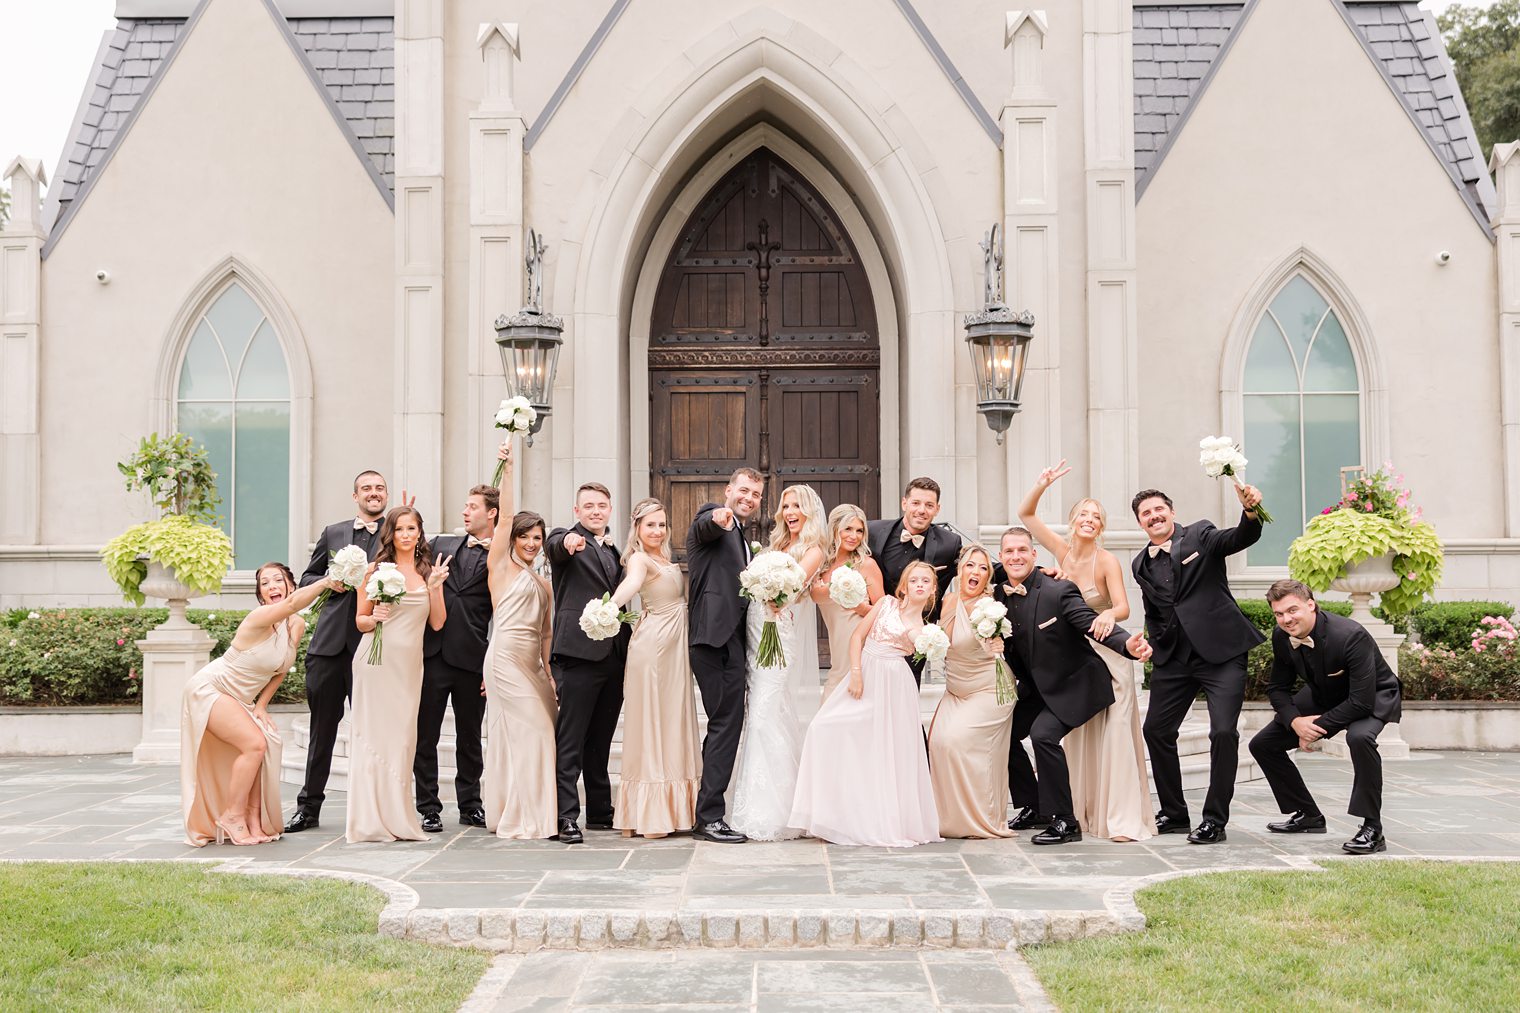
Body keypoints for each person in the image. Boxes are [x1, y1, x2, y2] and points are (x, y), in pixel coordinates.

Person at [1014, 463, 1154, 841]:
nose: (1089, 521)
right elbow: (1025, 515)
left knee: (1113, 732)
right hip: (1072, 655)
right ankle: (1080, 808)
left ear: (1101, 527)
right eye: (1083, 515)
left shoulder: (1106, 560)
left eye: (1096, 517)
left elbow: (1123, 607)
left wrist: (1107, 614)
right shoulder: (1061, 552)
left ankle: (1117, 814)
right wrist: (1041, 483)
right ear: (1073, 521)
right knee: (1077, 732)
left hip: (1108, 650)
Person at [1133, 483, 1264, 845]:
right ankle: (1174, 814)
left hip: (1222, 654)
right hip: (1174, 660)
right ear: (1141, 523)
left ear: (1172, 512)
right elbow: (1155, 611)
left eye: (1159, 509)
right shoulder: (1139, 563)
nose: (1154, 516)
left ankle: (1214, 819)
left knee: (1223, 732)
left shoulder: (1201, 535)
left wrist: (1250, 511)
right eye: (1146, 513)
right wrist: (1155, 647)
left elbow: (1240, 537)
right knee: (1156, 731)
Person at [182, 563, 340, 846]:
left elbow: (280, 669)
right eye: (265, 584)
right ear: (261, 595)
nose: (272, 587)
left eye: (278, 580)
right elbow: (293, 604)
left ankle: (254, 821)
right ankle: (231, 816)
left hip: (240, 699)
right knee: (254, 744)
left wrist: (261, 705)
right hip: (212, 688)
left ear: (290, 584)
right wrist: (326, 582)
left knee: (266, 743)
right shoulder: (260, 617)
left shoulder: (295, 624)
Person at [789, 560, 941, 847]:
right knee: (823, 728)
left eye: (925, 582)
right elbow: (858, 637)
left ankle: (878, 817)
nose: (919, 585)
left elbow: (921, 646)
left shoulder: (923, 628)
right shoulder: (884, 604)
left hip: (895, 684)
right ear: (904, 586)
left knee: (884, 749)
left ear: (932, 590)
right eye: (914, 580)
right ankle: (833, 814)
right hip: (865, 674)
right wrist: (856, 673)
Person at [1249, 580, 1403, 855]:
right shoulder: (1281, 635)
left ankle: (1373, 829)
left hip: (1371, 696)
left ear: (1311, 605)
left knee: (1360, 737)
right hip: (1323, 693)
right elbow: (1277, 688)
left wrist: (1315, 728)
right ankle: (1308, 815)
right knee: (1262, 744)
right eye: (1279, 614)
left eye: (1292, 610)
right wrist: (1296, 722)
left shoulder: (1350, 635)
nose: (1286, 619)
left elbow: (1360, 701)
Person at [285, 470, 388, 834]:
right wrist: (334, 580)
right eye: (366, 489)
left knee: (375, 732)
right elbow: (307, 579)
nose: (373, 494)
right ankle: (308, 807)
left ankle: (376, 808)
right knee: (322, 730)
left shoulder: (396, 533)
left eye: (379, 488)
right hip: (329, 647)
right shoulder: (334, 532)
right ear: (355, 495)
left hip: (375, 647)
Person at [345, 506, 452, 843]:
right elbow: (360, 621)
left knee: (403, 740)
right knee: (375, 737)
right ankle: (370, 819)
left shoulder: (426, 571)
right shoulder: (374, 570)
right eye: (401, 529)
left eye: (412, 528)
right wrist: (375, 616)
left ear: (420, 532)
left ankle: (399, 814)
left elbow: (437, 623)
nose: (407, 535)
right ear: (390, 533)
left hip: (408, 668)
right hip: (375, 662)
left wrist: (435, 587)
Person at [730, 483, 827, 842]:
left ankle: (772, 811)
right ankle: (773, 804)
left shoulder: (814, 549)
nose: (789, 512)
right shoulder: (775, 546)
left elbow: (794, 587)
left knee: (762, 715)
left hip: (779, 634)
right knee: (766, 713)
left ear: (809, 512)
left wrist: (775, 592)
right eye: (786, 505)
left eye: (796, 506)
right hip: (757, 630)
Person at [606, 498, 701, 838]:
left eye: (662, 525)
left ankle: (676, 809)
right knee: (654, 722)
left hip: (674, 649)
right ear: (637, 528)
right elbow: (630, 586)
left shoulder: (665, 557)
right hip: (654, 648)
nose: (658, 531)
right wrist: (607, 608)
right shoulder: (639, 559)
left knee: (673, 720)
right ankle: (651, 814)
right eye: (650, 525)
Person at [545, 482, 630, 844]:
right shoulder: (568, 540)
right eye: (588, 506)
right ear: (577, 511)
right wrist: (567, 542)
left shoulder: (615, 549)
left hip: (613, 655)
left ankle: (599, 810)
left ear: (610, 509)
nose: (596, 511)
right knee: (572, 738)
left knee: (601, 737)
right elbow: (555, 545)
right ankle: (566, 815)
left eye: (602, 505)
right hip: (578, 654)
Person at [686, 466, 766, 844]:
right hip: (712, 641)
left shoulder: (745, 539)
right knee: (725, 725)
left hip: (733, 643)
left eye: (756, 495)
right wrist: (718, 515)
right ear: (728, 490)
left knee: (725, 725)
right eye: (744, 491)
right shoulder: (714, 518)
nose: (748, 499)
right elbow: (707, 524)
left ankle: (706, 809)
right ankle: (710, 817)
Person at [482, 442, 559, 840]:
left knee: (536, 730)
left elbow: (546, 631)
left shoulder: (543, 582)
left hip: (533, 665)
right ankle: (525, 816)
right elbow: (506, 515)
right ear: (513, 538)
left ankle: (518, 806)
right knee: (536, 732)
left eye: (538, 537)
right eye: (525, 536)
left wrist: (548, 673)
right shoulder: (501, 567)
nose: (531, 543)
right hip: (505, 659)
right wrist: (509, 469)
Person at [413, 484, 496, 833]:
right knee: (425, 736)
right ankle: (429, 807)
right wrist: (405, 513)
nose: (465, 512)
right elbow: (408, 553)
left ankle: (470, 804)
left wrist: (491, 666)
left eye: (472, 507)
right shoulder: (444, 545)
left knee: (470, 738)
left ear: (491, 513)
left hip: (473, 660)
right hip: (433, 656)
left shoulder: (503, 558)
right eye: (464, 506)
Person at [927, 544, 1016, 839]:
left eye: (982, 568)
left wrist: (997, 643)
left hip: (989, 689)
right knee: (937, 741)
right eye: (970, 566)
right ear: (960, 570)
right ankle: (948, 818)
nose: (975, 572)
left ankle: (981, 816)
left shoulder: (990, 606)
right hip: (955, 691)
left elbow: (997, 638)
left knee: (956, 740)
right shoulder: (949, 600)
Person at [868, 477, 969, 684]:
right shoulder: (873, 532)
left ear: (937, 509)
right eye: (916, 503)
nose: (922, 510)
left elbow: (974, 566)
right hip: (875, 630)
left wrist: (1035, 571)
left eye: (929, 505)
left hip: (917, 631)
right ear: (904, 503)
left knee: (908, 689)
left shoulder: (949, 543)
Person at [811, 503, 885, 701]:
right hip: (838, 656)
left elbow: (884, 613)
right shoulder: (821, 566)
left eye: (859, 530)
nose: (854, 536)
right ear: (835, 529)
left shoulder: (866, 565)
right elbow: (814, 596)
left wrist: (861, 608)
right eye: (848, 529)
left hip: (861, 651)